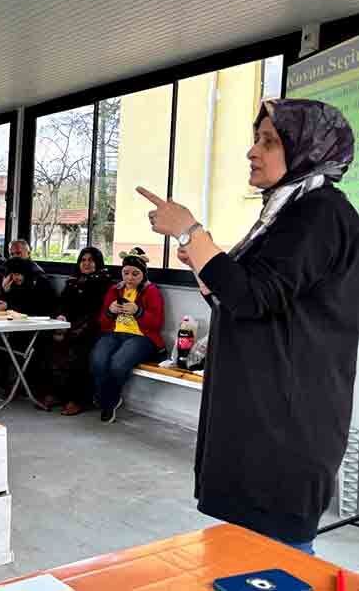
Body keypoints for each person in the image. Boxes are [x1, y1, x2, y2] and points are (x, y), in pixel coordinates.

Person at [139, 99, 359, 554]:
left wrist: (191, 232)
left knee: (274, 562)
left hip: (286, 425)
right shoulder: (287, 212)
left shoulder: (319, 213)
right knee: (243, 556)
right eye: (256, 139)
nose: (252, 151)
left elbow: (253, 296)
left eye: (270, 141)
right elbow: (245, 298)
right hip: (262, 416)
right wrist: (203, 262)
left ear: (308, 149)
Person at [91, 247, 165, 424]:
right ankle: (106, 396)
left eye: (135, 274)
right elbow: (102, 322)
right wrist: (110, 311)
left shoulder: (151, 291)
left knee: (118, 363)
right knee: (97, 359)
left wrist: (138, 311)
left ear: (143, 274)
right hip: (114, 333)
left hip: (142, 337)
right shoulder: (114, 290)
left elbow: (156, 324)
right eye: (126, 273)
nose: (129, 278)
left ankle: (108, 402)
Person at [47, 247, 112, 415]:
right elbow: (62, 303)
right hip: (69, 325)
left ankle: (78, 400)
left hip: (93, 328)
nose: (86, 263)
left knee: (77, 350)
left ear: (98, 263)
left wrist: (74, 330)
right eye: (83, 260)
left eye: (91, 260)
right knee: (49, 344)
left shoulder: (104, 283)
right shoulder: (73, 281)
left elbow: (98, 313)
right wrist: (60, 316)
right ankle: (58, 394)